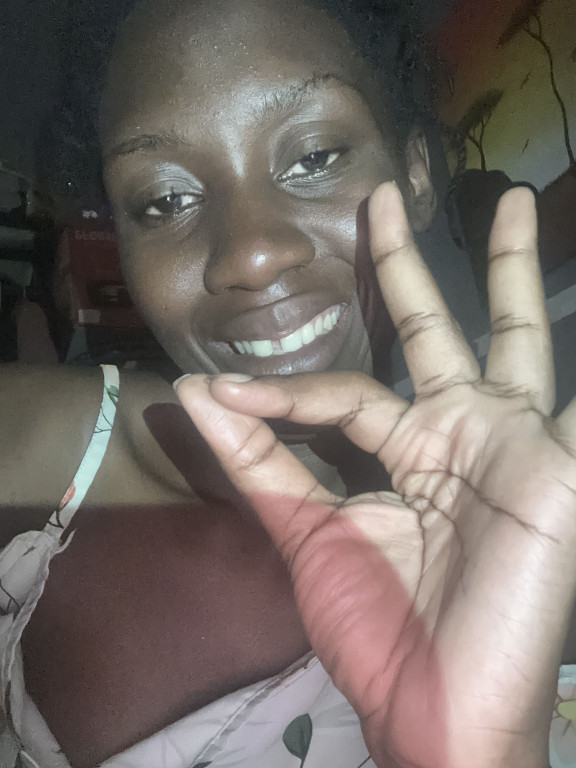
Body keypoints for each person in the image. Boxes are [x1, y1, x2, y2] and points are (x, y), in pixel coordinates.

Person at [1, 1, 576, 766]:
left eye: (314, 157)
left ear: (415, 174)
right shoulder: (59, 454)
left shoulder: (516, 516)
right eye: (165, 200)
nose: (251, 254)